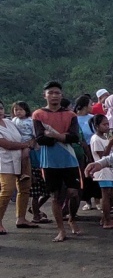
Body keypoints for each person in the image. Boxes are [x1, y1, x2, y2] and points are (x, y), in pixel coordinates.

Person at [32, 81, 82, 242]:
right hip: (49, 162)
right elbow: (40, 138)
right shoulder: (38, 114)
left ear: (62, 95)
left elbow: (75, 137)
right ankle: (61, 230)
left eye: (57, 93)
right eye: (51, 92)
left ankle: (72, 218)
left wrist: (54, 135)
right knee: (55, 196)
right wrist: (63, 137)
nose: (54, 95)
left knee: (74, 193)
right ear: (44, 95)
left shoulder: (70, 115)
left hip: (69, 159)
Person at [0, 101, 38, 234]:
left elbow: (27, 135)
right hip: (5, 161)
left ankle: (21, 218)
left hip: (21, 158)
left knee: (25, 188)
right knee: (7, 191)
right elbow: (7, 144)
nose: (0, 111)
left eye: (1, 108)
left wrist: (30, 143)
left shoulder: (11, 122)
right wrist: (25, 145)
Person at [12, 101, 50, 224]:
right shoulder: (13, 122)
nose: (18, 112)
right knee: (35, 193)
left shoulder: (30, 121)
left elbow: (35, 135)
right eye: (15, 110)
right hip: (25, 152)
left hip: (32, 149)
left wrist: (32, 142)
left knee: (45, 192)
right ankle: (36, 214)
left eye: (20, 110)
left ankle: (36, 211)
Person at [88, 114, 113, 229]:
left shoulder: (106, 138)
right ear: (97, 126)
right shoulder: (95, 139)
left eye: (108, 124)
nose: (107, 127)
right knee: (106, 195)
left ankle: (106, 217)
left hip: (110, 170)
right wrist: (110, 144)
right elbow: (103, 156)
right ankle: (107, 221)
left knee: (111, 194)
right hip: (103, 171)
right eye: (104, 124)